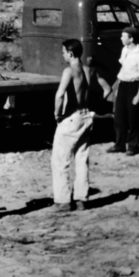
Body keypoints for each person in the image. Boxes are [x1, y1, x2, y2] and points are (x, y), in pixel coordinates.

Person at [51, 39, 94, 212]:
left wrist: (57, 113)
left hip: (71, 116)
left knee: (60, 160)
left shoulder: (69, 71)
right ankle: (81, 199)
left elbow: (60, 95)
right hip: (86, 115)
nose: (62, 55)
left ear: (70, 53)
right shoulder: (88, 70)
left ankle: (62, 201)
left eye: (63, 52)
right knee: (82, 159)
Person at [111, 27, 139, 155]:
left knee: (133, 118)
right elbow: (123, 68)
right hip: (123, 85)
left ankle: (133, 146)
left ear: (131, 39)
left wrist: (138, 95)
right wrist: (117, 88)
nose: (121, 38)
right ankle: (119, 145)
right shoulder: (124, 50)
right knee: (119, 117)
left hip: (134, 86)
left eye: (124, 36)